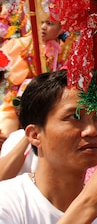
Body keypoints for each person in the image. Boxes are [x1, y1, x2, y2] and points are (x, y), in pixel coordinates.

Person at [0, 69, 97, 223]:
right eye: (74, 117)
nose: (92, 130)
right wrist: (88, 206)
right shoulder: (7, 203)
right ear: (35, 135)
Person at [0, 16, 74, 144]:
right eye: (41, 22)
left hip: (55, 97)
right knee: (7, 132)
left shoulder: (67, 48)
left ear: (61, 28)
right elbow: (15, 80)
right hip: (22, 99)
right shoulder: (21, 45)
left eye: (49, 23)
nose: (43, 27)